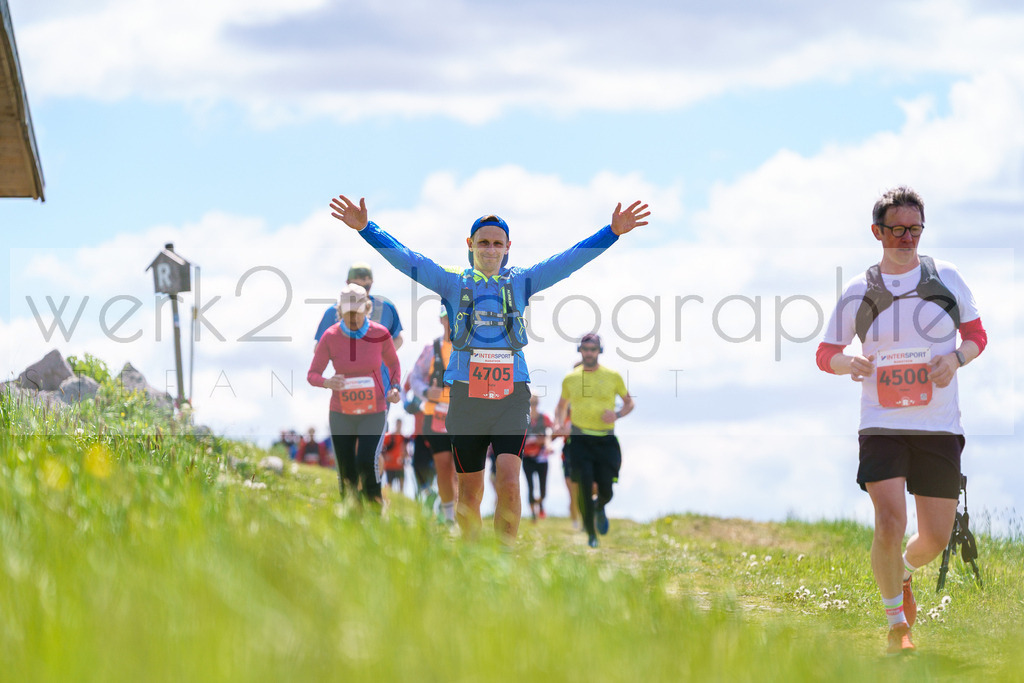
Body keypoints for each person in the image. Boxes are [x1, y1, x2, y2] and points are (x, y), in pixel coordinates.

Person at [329, 194, 649, 545]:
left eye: (498, 243)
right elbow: (408, 260)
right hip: (466, 395)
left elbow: (568, 261)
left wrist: (611, 233)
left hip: (512, 394)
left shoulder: (522, 280)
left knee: (510, 479)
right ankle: (473, 562)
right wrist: (366, 229)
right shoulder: (452, 281)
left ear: (508, 246)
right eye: (484, 243)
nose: (490, 249)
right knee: (470, 489)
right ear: (471, 245)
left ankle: (505, 560)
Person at [817, 186, 987, 655]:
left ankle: (903, 573)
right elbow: (825, 353)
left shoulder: (945, 276)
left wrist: (956, 359)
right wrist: (847, 364)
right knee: (889, 522)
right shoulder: (859, 289)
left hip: (938, 425)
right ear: (877, 232)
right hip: (881, 423)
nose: (907, 238)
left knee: (933, 537)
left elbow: (976, 335)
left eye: (915, 229)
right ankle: (897, 626)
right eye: (897, 230)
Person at [308, 283, 402, 504]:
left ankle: (375, 512)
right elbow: (312, 374)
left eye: (357, 313)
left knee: (366, 461)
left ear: (367, 310)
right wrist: (328, 382)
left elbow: (394, 365)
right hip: (341, 412)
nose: (352, 317)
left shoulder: (379, 334)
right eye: (347, 312)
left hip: (374, 409)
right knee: (347, 469)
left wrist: (395, 387)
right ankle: (351, 515)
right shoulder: (330, 336)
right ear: (339, 311)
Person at [555, 333, 634, 548]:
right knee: (584, 485)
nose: (589, 353)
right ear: (580, 351)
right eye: (585, 349)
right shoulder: (570, 378)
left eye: (593, 349)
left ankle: (600, 506)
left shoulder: (613, 376)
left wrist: (617, 415)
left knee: (606, 489)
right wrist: (560, 424)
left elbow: (629, 403)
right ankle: (591, 534)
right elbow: (561, 407)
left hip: (606, 441)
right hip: (580, 441)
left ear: (600, 351)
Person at [409, 307, 458, 524]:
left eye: (455, 316)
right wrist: (427, 392)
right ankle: (449, 517)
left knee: (463, 470)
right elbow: (415, 378)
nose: (451, 321)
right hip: (435, 417)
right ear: (441, 319)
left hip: (463, 419)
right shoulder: (431, 349)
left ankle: (462, 514)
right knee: (444, 467)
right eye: (447, 316)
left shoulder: (471, 349)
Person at [314, 262, 404, 350]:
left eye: (366, 287)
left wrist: (383, 355)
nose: (362, 293)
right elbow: (319, 347)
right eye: (357, 287)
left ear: (372, 283)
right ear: (347, 283)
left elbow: (398, 338)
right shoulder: (333, 311)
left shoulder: (387, 308)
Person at [522, 395, 553, 521]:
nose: (533, 405)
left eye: (535, 402)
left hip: (542, 458)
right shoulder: (524, 419)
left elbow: (549, 433)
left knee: (543, 489)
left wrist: (547, 445)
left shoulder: (544, 418)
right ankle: (533, 513)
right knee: (530, 486)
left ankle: (540, 503)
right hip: (527, 457)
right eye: (531, 402)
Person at [381, 418, 409, 492]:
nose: (399, 426)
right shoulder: (389, 436)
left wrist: (405, 457)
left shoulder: (403, 438)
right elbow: (381, 449)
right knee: (389, 485)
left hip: (400, 466)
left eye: (400, 424)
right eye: (398, 424)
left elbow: (406, 452)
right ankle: (388, 501)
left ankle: (400, 501)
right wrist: (385, 456)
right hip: (389, 466)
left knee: (401, 486)